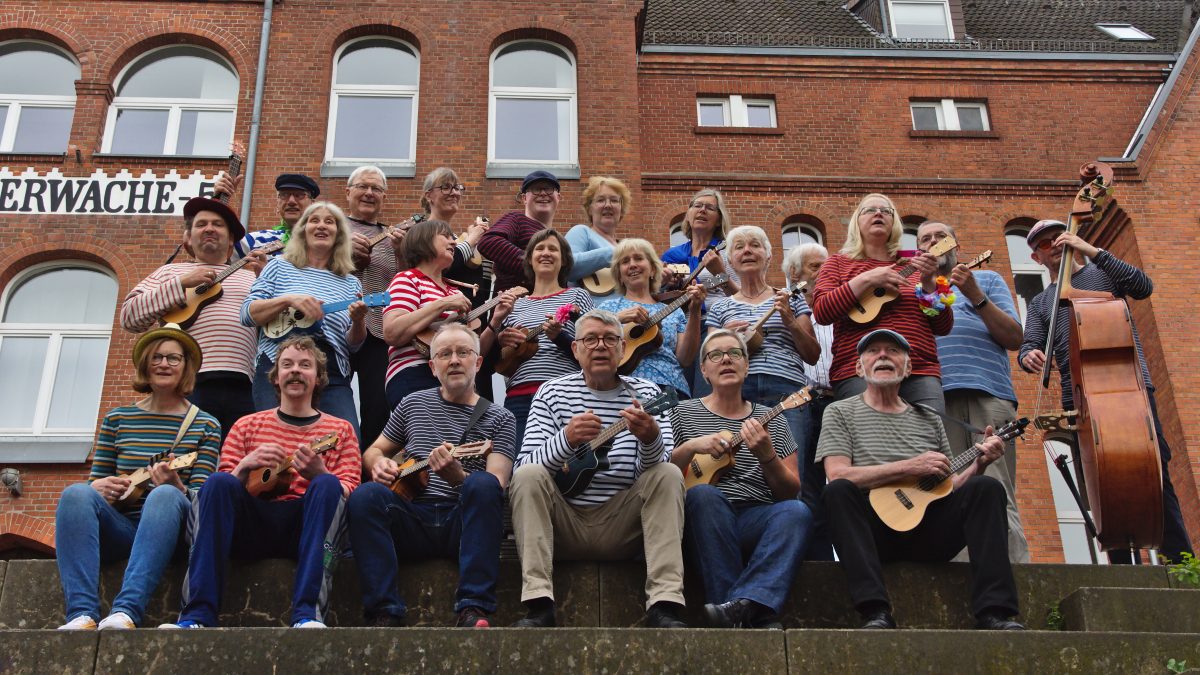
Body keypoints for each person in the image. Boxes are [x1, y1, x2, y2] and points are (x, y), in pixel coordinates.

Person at [818, 329, 1022, 630]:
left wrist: (978, 465)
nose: (883, 355)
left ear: (908, 368)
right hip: (874, 536)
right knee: (837, 492)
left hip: (929, 532)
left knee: (987, 487)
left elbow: (947, 486)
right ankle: (875, 612)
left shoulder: (928, 417)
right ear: (860, 368)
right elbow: (836, 473)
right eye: (873, 352)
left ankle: (995, 612)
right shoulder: (839, 411)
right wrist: (909, 466)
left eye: (893, 351)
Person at [1018, 219, 1193, 565]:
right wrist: (1029, 356)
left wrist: (1092, 251)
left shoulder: (1103, 273)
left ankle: (1180, 560)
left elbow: (1142, 286)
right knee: (1100, 482)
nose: (1053, 245)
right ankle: (1123, 568)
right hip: (1080, 400)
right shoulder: (1041, 302)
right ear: (1037, 258)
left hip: (1132, 387)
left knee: (1156, 470)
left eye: (1057, 237)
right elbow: (1029, 345)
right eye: (1043, 244)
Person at [161, 336, 362, 629]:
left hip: (306, 527)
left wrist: (320, 474)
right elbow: (221, 490)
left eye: (305, 366)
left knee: (329, 485)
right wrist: (245, 466)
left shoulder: (340, 429)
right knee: (217, 482)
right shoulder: (246, 425)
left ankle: (308, 615)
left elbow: (351, 489)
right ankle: (196, 615)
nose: (295, 371)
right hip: (251, 525)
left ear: (318, 379)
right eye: (287, 365)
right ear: (276, 378)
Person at [508, 309, 687, 628]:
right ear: (575, 349)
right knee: (527, 476)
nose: (600, 346)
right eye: (590, 339)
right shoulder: (552, 392)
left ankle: (665, 604)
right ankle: (538, 603)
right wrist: (566, 439)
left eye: (609, 339)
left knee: (669, 474)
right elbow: (525, 467)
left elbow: (656, 475)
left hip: (623, 525)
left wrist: (650, 438)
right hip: (563, 524)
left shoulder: (646, 394)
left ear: (622, 349)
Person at [348, 323, 517, 628]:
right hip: (413, 517)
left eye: (463, 352)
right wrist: (379, 465)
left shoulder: (500, 418)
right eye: (445, 354)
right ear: (432, 366)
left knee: (481, 484)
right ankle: (383, 611)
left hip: (461, 523)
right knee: (365, 496)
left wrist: (458, 477)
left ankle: (473, 608)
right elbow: (373, 451)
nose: (454, 360)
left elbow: (497, 484)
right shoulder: (412, 403)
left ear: (478, 363)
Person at [56, 325, 220, 630]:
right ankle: (82, 614)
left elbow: (202, 499)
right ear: (145, 364)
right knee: (75, 494)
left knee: (164, 495)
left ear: (186, 367)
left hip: (171, 532)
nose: (164, 364)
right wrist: (98, 486)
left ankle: (126, 611)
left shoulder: (205, 424)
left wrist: (177, 485)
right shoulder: (117, 419)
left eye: (173, 358)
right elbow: (97, 483)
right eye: (156, 357)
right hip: (122, 528)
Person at [669, 329, 811, 628]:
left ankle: (738, 607)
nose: (726, 360)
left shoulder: (773, 417)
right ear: (704, 371)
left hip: (755, 517)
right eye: (715, 355)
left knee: (797, 512)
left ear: (747, 366)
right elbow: (661, 474)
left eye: (735, 353)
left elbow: (790, 492)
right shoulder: (682, 413)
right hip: (701, 518)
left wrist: (767, 455)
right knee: (704, 495)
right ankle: (752, 611)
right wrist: (692, 446)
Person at [917, 221, 1029, 564]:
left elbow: (1014, 338)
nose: (934, 242)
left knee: (995, 485)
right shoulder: (918, 290)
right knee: (947, 488)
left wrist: (975, 295)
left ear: (956, 247)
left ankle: (1014, 574)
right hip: (936, 400)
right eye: (925, 239)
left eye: (941, 236)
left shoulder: (988, 281)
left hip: (988, 394)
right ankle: (963, 578)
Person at [811, 193, 951, 412]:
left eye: (886, 211)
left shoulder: (915, 266)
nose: (878, 213)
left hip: (919, 369)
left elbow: (943, 326)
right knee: (869, 444)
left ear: (894, 223)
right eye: (870, 210)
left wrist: (928, 282)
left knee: (929, 441)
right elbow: (822, 311)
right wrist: (867, 278)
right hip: (857, 370)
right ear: (856, 222)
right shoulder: (837, 263)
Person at [241, 201, 368, 442]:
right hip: (277, 366)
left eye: (329, 222)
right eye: (314, 220)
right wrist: (289, 300)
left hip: (331, 373)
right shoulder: (278, 267)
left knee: (345, 441)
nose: (322, 226)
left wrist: (359, 321)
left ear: (340, 235)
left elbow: (352, 345)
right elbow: (247, 313)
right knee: (273, 443)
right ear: (302, 230)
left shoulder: (351, 283)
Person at [383, 219, 520, 408]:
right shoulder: (407, 279)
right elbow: (392, 332)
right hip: (415, 375)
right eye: (446, 237)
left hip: (456, 382)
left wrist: (496, 320)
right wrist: (443, 304)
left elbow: (475, 350)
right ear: (423, 241)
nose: (454, 242)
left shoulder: (455, 293)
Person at [706, 225, 820, 448]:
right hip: (736, 394)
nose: (747, 251)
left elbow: (813, 355)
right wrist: (725, 338)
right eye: (739, 247)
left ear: (769, 256)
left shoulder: (791, 299)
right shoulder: (720, 308)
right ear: (730, 261)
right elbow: (709, 362)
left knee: (793, 470)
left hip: (787, 392)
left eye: (755, 245)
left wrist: (790, 320)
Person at [496, 229, 594, 441]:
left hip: (566, 394)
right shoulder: (516, 305)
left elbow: (592, 348)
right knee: (519, 466)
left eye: (553, 249)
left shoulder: (578, 296)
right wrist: (501, 341)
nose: (546, 253)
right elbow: (499, 360)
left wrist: (560, 338)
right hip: (520, 396)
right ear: (530, 260)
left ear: (564, 260)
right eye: (539, 248)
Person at [342, 166, 404, 451]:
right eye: (362, 186)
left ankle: (369, 475)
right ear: (348, 192)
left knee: (377, 408)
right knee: (331, 401)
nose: (369, 193)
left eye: (376, 189)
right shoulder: (330, 228)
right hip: (336, 328)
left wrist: (402, 252)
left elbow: (401, 283)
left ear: (384, 197)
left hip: (378, 331)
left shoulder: (393, 236)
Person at [599, 238, 706, 399]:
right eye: (625, 261)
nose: (632, 264)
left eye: (639, 258)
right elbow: (588, 338)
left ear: (653, 270)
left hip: (670, 388)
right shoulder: (608, 309)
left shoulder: (673, 311)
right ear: (619, 275)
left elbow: (685, 358)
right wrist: (619, 318)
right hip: (620, 388)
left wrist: (696, 310)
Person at [782, 242, 835, 561]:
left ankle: (830, 559)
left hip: (834, 400)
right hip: (801, 400)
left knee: (835, 486)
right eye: (815, 267)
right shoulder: (785, 306)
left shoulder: (840, 307)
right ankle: (807, 559)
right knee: (803, 484)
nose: (823, 273)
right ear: (794, 273)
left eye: (825, 267)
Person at [478, 170, 561, 294]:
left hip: (547, 308)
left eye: (549, 189)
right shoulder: (517, 219)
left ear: (558, 197)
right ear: (524, 198)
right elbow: (489, 242)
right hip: (513, 309)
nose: (543, 193)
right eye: (536, 189)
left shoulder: (558, 239)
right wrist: (533, 263)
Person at [220, 172, 320, 259]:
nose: (291, 201)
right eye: (284, 195)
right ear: (277, 203)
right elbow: (215, 255)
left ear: (313, 204)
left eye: (299, 195)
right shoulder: (255, 241)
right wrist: (220, 198)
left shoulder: (325, 243)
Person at [660, 188, 739, 297]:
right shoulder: (671, 255)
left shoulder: (728, 251)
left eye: (710, 208)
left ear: (719, 221)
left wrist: (720, 275)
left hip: (718, 313)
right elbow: (652, 298)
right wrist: (664, 284)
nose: (702, 210)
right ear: (687, 216)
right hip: (680, 313)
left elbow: (744, 298)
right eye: (697, 205)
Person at [565, 176, 630, 304]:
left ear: (621, 209)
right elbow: (565, 267)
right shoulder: (582, 232)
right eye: (600, 200)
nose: (608, 205)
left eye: (614, 200)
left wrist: (661, 282)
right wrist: (613, 254)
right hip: (592, 318)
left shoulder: (624, 247)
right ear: (590, 208)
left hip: (630, 319)